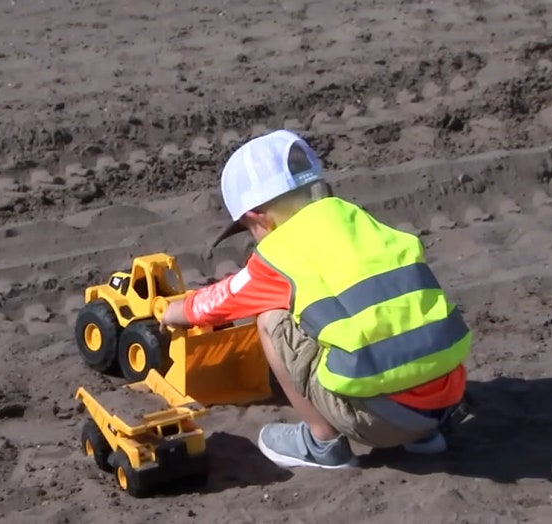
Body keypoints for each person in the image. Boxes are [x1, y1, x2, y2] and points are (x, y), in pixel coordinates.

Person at [159, 129, 472, 469]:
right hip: (446, 399)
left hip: (378, 422)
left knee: (270, 318)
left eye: (250, 231)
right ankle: (424, 437)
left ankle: (323, 444)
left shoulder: (277, 253)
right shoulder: (358, 221)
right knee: (388, 313)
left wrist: (176, 311)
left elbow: (223, 299)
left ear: (258, 219)